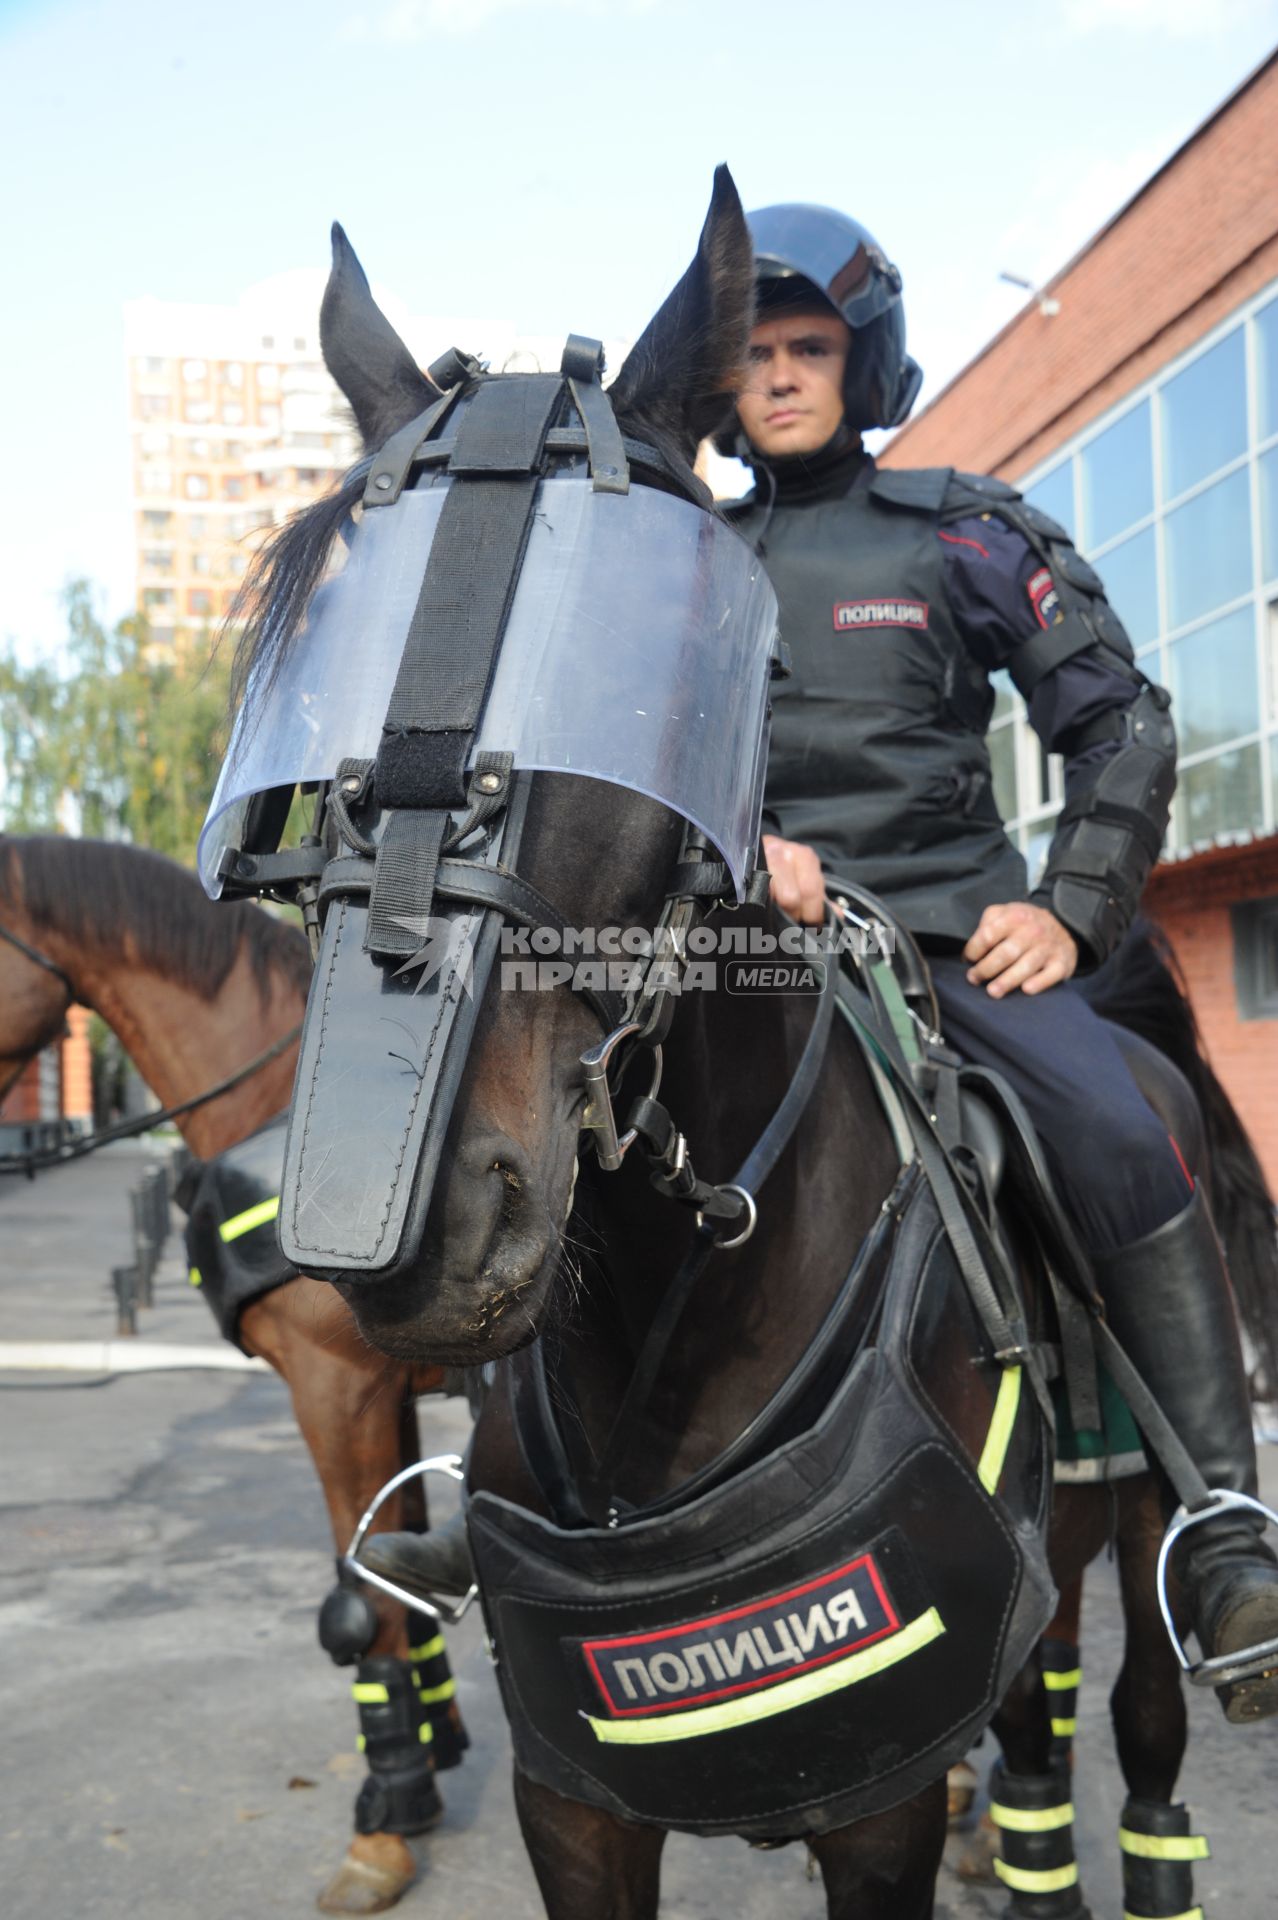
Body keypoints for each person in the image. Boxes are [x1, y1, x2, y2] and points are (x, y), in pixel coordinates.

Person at [721, 201, 1278, 1722]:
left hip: (960, 950)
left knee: (1116, 1123)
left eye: (807, 348)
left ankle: (1224, 1529)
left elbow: (1122, 726)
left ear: (862, 363)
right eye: (753, 352)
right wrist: (723, 840)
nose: (778, 376)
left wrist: (1071, 907)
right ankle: (500, 1490)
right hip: (739, 953)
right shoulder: (668, 561)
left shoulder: (964, 530)